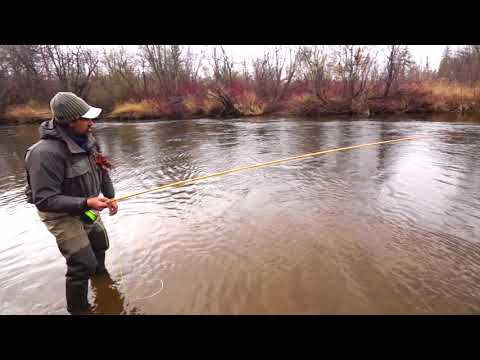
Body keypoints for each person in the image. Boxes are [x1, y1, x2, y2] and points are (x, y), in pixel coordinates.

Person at [24, 92, 118, 315]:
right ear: (71, 121)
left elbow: (101, 168)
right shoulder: (43, 154)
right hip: (59, 213)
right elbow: (44, 200)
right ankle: (79, 310)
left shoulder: (88, 139)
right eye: (86, 119)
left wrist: (110, 196)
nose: (91, 123)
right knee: (82, 263)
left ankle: (102, 283)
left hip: (88, 205)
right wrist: (87, 202)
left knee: (100, 243)